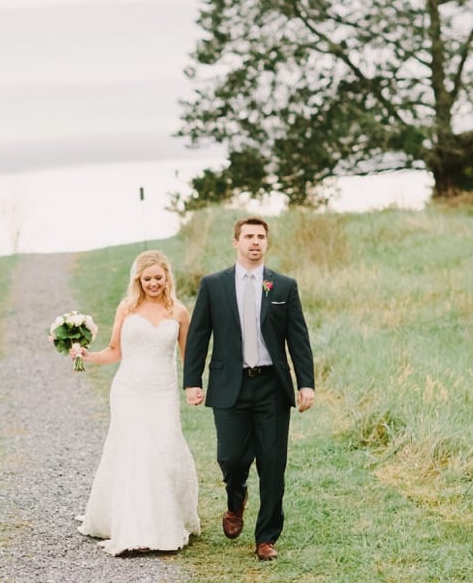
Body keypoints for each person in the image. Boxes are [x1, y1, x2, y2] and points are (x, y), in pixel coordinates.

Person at [183, 217, 315, 561]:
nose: (255, 242)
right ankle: (235, 497)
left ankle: (266, 538)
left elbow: (298, 339)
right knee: (231, 457)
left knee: (272, 464)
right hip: (230, 386)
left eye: (260, 237)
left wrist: (306, 384)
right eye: (248, 237)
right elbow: (198, 335)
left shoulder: (283, 286)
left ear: (266, 243)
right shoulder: (214, 285)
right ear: (236, 242)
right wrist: (192, 381)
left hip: (272, 386)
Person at [68, 250, 201, 556]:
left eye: (158, 277)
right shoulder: (127, 308)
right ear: (138, 280)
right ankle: (136, 527)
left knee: (165, 451)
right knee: (137, 453)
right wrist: (87, 355)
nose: (153, 283)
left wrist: (193, 387)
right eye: (147, 278)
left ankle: (165, 519)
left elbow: (188, 357)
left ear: (167, 277)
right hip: (129, 390)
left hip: (163, 392)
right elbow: (114, 351)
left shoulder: (179, 311)